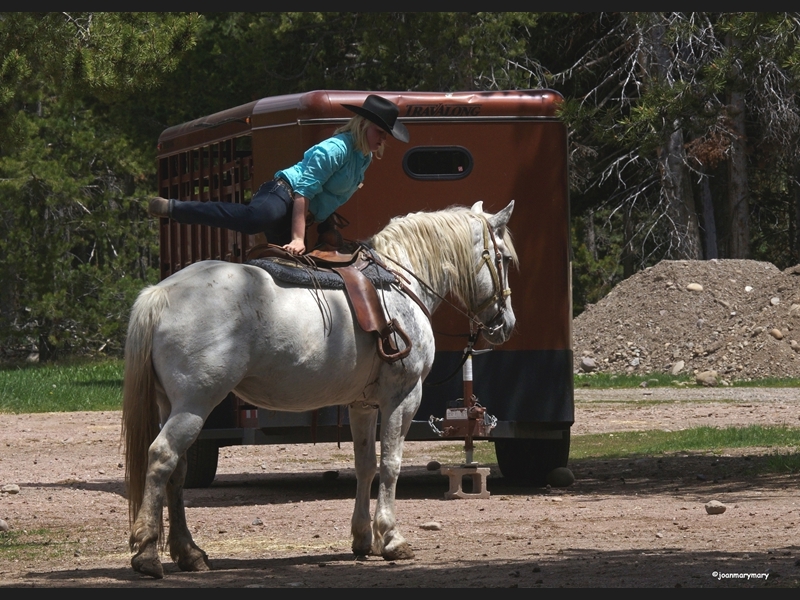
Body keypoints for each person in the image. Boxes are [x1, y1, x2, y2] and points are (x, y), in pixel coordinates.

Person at [148, 94, 410, 255]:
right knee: (256, 219)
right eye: (380, 132)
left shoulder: (362, 157)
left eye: (386, 134)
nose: (383, 139)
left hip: (299, 214)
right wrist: (298, 238)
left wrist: (327, 227)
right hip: (283, 193)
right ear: (364, 126)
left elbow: (328, 193)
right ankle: (176, 208)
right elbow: (303, 191)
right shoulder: (335, 149)